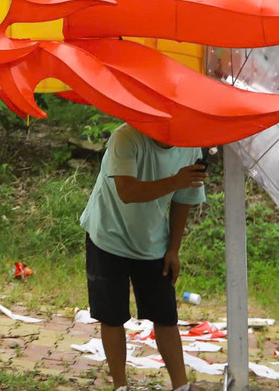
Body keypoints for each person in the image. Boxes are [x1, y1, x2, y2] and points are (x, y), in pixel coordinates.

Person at [80, 123, 208, 391]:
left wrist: (173, 249)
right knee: (112, 315)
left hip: (152, 241)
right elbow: (127, 192)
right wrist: (176, 181)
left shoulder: (190, 145)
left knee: (165, 315)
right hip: (108, 235)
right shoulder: (125, 137)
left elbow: (184, 198)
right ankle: (121, 385)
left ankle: (181, 386)